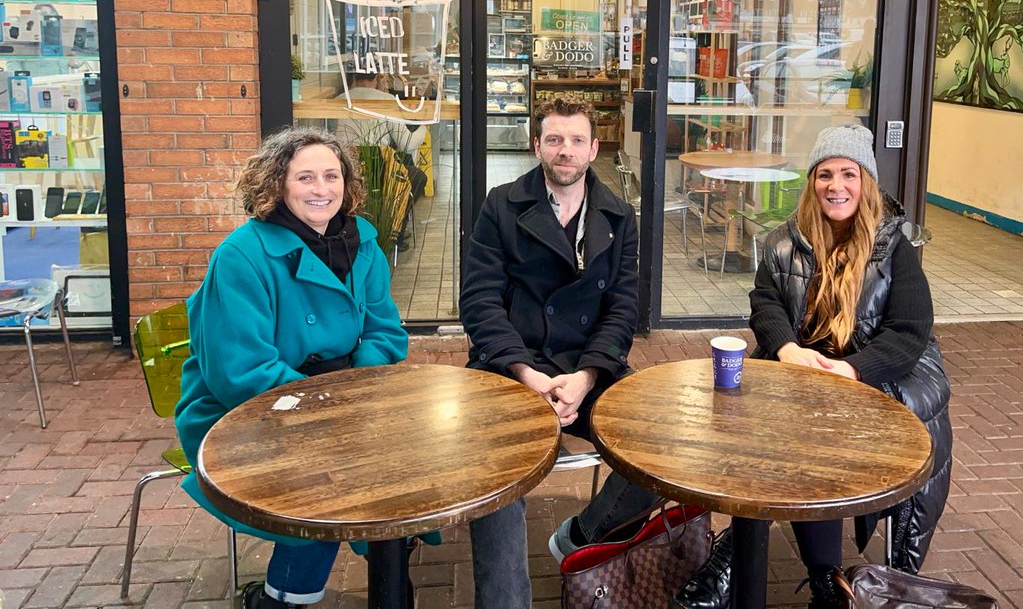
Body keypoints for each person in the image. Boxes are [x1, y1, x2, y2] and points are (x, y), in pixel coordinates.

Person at [175, 127, 411, 609]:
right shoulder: (241, 257)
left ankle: (391, 574)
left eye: (331, 175)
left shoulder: (362, 240)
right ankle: (282, 600)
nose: (321, 188)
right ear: (277, 186)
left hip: (347, 394)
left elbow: (386, 332)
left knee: (407, 465)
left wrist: (352, 387)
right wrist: (329, 404)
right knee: (325, 484)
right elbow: (239, 373)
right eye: (305, 177)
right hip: (250, 411)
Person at [460, 98, 660, 609]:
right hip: (511, 366)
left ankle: (582, 536)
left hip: (585, 365)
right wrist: (525, 372)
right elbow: (479, 302)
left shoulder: (619, 215)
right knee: (497, 466)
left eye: (575, 140)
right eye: (553, 139)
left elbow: (623, 308)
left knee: (660, 443)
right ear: (537, 146)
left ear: (594, 148)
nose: (564, 151)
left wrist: (589, 375)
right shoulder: (500, 205)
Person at [747, 124, 952, 608]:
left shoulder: (895, 247)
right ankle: (818, 578)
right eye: (824, 174)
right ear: (812, 182)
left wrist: (853, 371)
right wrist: (787, 350)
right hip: (806, 371)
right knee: (761, 437)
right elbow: (765, 302)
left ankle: (881, 581)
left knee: (819, 446)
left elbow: (909, 330)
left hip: (872, 376)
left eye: (847, 174)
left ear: (866, 183)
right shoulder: (783, 241)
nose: (835, 186)